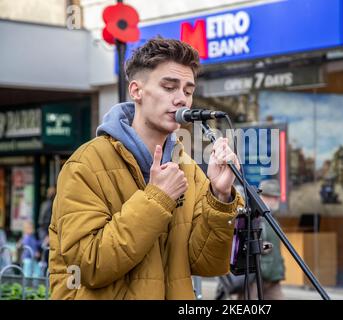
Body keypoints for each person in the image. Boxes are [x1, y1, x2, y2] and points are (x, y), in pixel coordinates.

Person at [48, 37, 243, 299]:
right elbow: (89, 265)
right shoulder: (86, 164)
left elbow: (206, 264)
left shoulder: (186, 167)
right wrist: (157, 198)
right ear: (136, 91)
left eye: (187, 90)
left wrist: (220, 198)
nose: (181, 99)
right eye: (169, 87)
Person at [247, 179, 286, 300]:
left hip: (272, 277)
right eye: (274, 197)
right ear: (264, 197)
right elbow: (244, 245)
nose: (276, 200)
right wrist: (261, 247)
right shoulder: (252, 218)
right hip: (255, 278)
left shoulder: (272, 220)